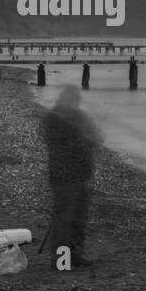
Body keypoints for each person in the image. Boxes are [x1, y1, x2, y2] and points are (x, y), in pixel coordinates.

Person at [41, 85, 99, 268]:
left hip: (81, 175)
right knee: (64, 221)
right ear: (63, 99)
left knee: (79, 218)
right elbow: (62, 145)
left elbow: (96, 137)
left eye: (76, 99)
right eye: (71, 99)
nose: (74, 102)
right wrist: (84, 141)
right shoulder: (53, 119)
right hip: (63, 177)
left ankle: (75, 255)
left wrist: (91, 139)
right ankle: (61, 261)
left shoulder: (80, 116)